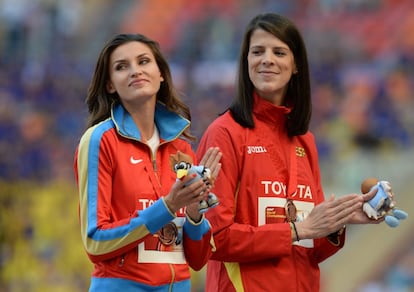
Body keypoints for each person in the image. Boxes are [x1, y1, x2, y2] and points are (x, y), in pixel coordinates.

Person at [196, 13, 382, 292]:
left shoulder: (304, 141)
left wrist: (337, 222)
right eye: (257, 51)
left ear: (295, 65)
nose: (267, 59)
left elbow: (311, 248)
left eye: (279, 52)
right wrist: (297, 230)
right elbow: (213, 239)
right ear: (246, 62)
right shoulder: (224, 134)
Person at [73, 33, 222, 291]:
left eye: (143, 61)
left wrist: (196, 212)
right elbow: (95, 242)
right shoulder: (99, 140)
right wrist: (168, 205)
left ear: (161, 73)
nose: (135, 71)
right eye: (122, 67)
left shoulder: (182, 148)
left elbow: (197, 260)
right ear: (110, 84)